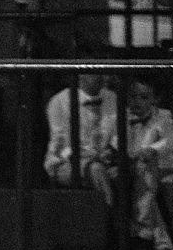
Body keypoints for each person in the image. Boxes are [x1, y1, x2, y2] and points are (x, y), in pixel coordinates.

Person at [122, 76, 173, 250]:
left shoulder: (163, 116)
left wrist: (153, 149)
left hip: (165, 169)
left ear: (154, 99)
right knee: (147, 196)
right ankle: (163, 246)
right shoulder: (122, 117)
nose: (137, 101)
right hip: (141, 172)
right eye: (133, 96)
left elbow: (171, 140)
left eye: (144, 97)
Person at [44, 71, 120, 204]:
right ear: (80, 75)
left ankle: (143, 222)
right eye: (94, 72)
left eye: (102, 71)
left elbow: (118, 136)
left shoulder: (112, 98)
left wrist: (111, 153)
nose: (100, 76)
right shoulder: (59, 102)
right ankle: (113, 218)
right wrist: (89, 156)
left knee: (134, 170)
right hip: (65, 164)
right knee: (96, 169)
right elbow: (61, 146)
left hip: (106, 160)